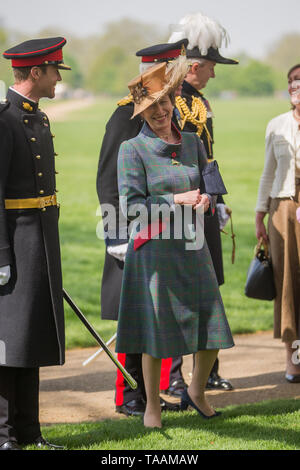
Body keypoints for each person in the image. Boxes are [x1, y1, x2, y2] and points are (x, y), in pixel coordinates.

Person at [116, 60, 234, 428]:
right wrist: (176, 201)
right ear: (141, 112)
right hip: (153, 254)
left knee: (212, 326)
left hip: (193, 247)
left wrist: (206, 202)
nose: (161, 112)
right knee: (155, 334)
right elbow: (132, 208)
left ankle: (196, 392)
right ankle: (152, 406)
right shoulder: (131, 150)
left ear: (172, 101)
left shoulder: (194, 143)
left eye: (164, 103)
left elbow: (210, 189)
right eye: (151, 108)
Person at [96, 40, 188, 417]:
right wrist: (116, 233)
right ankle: (128, 395)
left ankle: (152, 394)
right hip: (133, 229)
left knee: (158, 312)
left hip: (165, 228)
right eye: (173, 75)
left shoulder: (169, 110)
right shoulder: (125, 117)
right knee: (131, 314)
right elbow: (107, 179)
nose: (179, 84)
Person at [0, 37, 70, 450]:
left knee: (33, 335)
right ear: (36, 72)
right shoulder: (5, 120)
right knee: (9, 340)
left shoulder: (38, 118)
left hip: (41, 239)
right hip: (15, 241)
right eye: (55, 70)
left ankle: (31, 432)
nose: (59, 77)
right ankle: (6, 435)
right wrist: (1, 255)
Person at [168, 12, 238, 390]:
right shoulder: (171, 100)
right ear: (193, 66)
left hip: (205, 204)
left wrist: (219, 199)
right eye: (210, 66)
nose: (213, 73)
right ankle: (176, 376)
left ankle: (207, 370)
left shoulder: (199, 100)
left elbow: (208, 154)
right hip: (181, 207)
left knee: (207, 290)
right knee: (181, 291)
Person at [255, 64, 300, 384]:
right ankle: (293, 355)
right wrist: (260, 213)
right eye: (292, 82)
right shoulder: (277, 125)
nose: (296, 87)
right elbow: (268, 172)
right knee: (288, 286)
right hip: (283, 209)